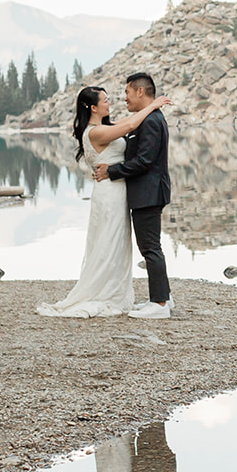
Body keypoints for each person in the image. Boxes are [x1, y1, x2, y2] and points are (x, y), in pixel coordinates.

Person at [36, 83, 170, 318]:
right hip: (110, 193)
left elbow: (129, 126)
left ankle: (122, 293)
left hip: (118, 189)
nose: (110, 103)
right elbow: (130, 124)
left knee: (118, 242)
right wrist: (154, 105)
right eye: (105, 100)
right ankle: (110, 293)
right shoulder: (95, 132)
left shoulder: (105, 127)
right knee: (109, 241)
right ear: (93, 107)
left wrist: (150, 108)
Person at [92, 72, 174, 319]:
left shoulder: (151, 121)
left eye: (127, 92)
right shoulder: (148, 118)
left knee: (150, 248)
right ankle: (165, 298)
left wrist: (112, 171)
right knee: (151, 247)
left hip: (148, 192)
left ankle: (159, 304)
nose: (124, 98)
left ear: (140, 91)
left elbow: (145, 160)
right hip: (147, 192)